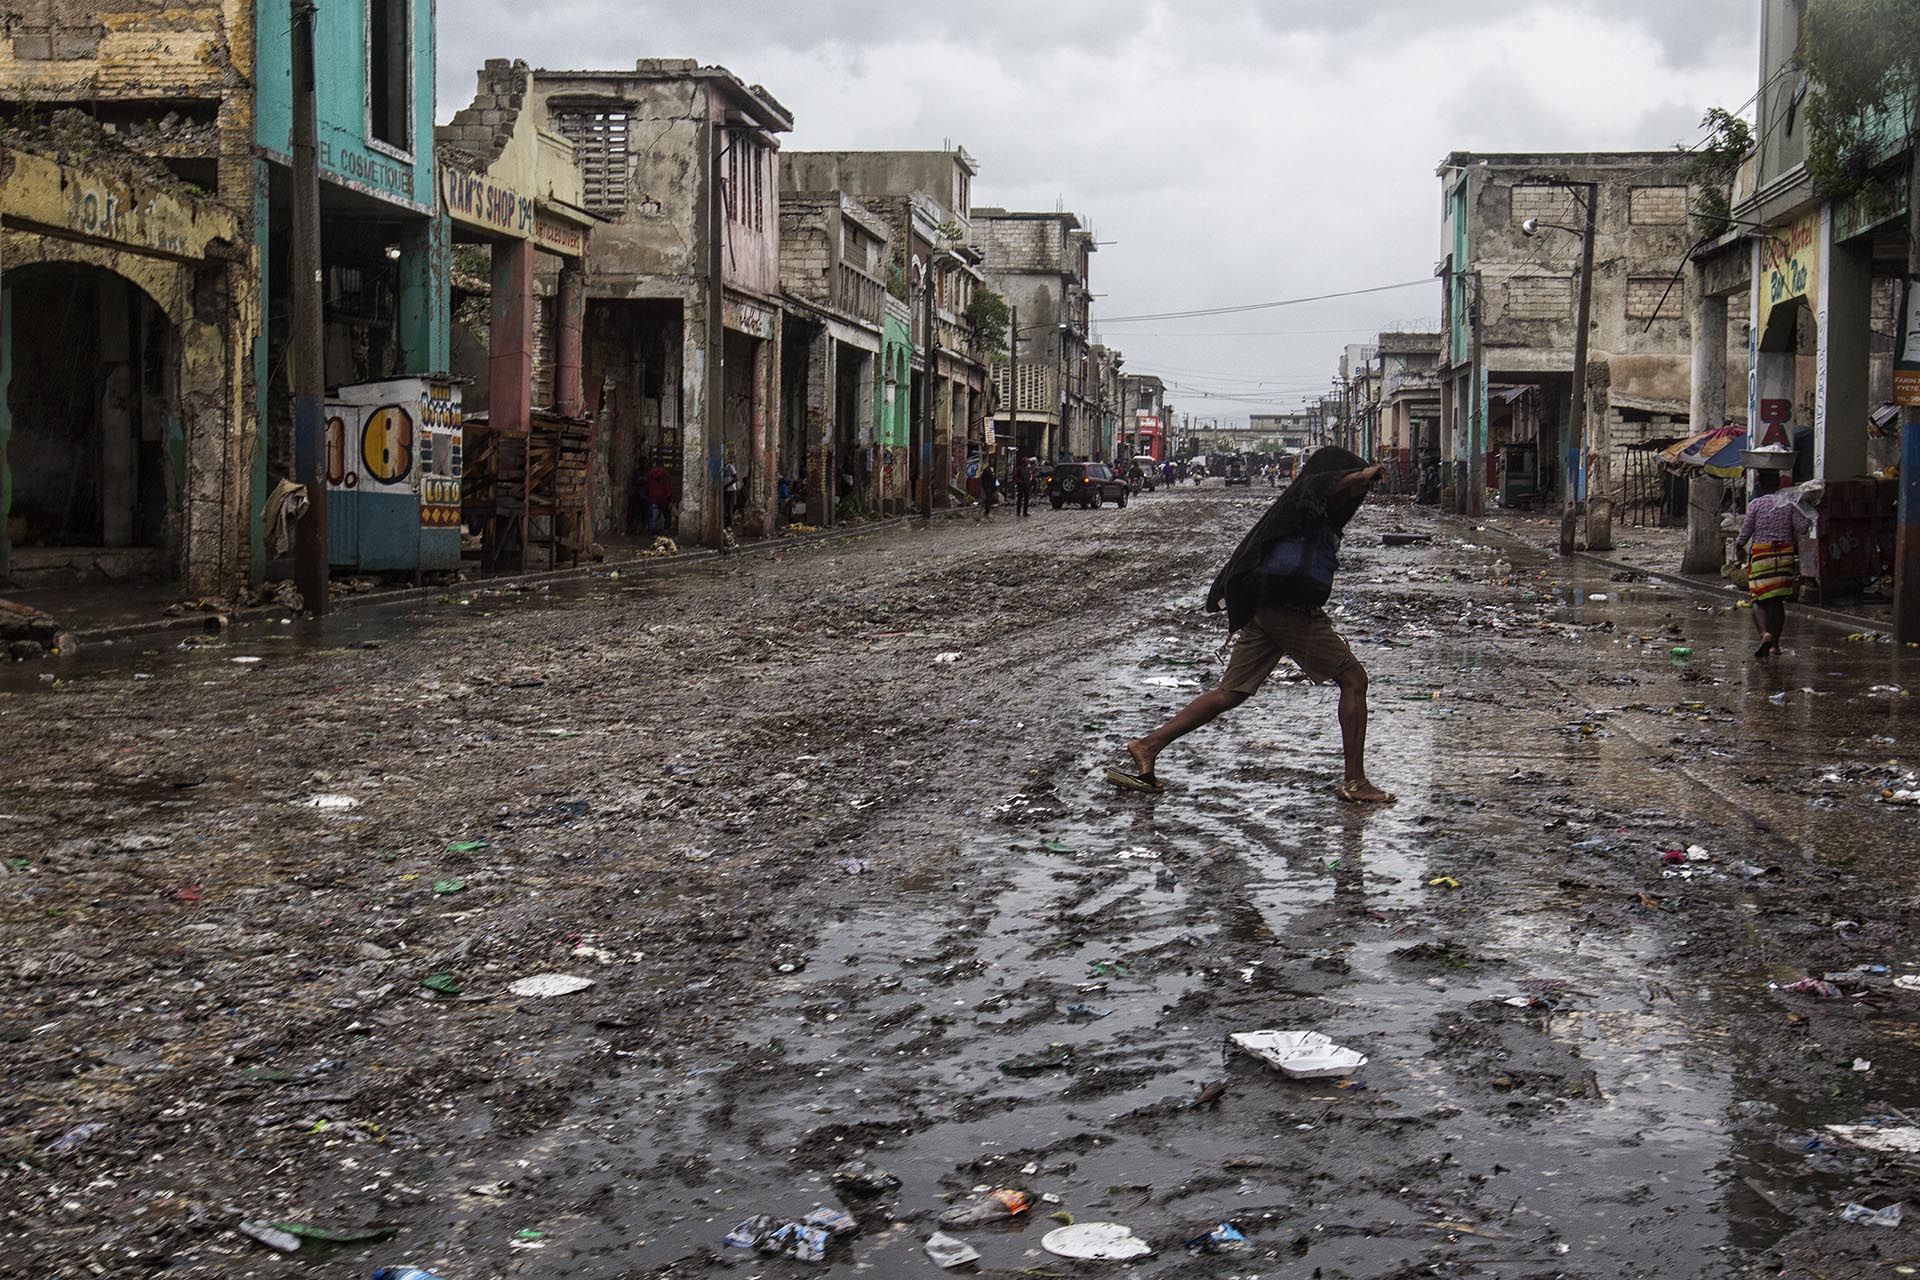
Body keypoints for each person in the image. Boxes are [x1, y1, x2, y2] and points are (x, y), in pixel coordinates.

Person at [1106, 446, 1394, 804]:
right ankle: (1355, 782)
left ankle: (1147, 746)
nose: (1358, 496)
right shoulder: (1305, 502)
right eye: (1354, 487)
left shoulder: (1317, 515)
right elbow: (1319, 484)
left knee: (1231, 692)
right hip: (1286, 609)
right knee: (1354, 680)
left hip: (1266, 607)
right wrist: (1362, 475)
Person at [1736, 468, 1813, 658]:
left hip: (1762, 556)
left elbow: (1745, 533)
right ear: (1779, 484)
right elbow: (1803, 528)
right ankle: (1775, 646)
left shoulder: (1755, 505)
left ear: (1760, 483)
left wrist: (1738, 547)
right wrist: (1807, 506)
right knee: (1777, 602)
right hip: (1783, 557)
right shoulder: (1790, 505)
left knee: (1758, 599)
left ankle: (1765, 633)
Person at [645, 461, 674, 535]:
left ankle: (654, 532)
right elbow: (669, 487)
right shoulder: (666, 475)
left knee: (654, 516)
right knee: (667, 515)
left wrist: (648, 496)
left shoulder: (650, 474)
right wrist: (670, 498)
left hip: (653, 498)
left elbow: (647, 485)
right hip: (664, 499)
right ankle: (666, 530)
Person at [721, 457, 741, 528]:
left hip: (731, 489)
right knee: (726, 506)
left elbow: (735, 478)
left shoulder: (730, 467)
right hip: (725, 490)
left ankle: (730, 522)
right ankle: (727, 521)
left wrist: (727, 485)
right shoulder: (722, 468)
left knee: (730, 505)